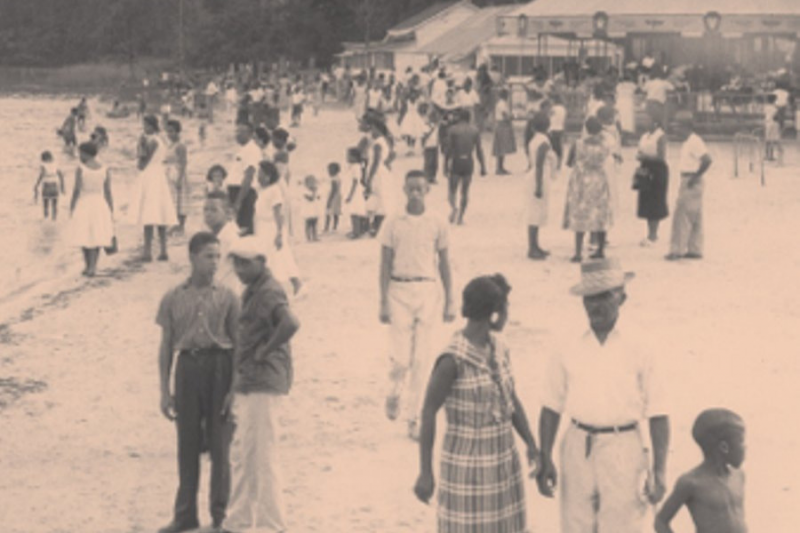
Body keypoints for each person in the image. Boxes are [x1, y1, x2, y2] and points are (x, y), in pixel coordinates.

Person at [536, 258, 670, 533]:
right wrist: (545, 456)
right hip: (576, 444)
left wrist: (659, 470)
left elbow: (659, 411)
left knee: (623, 526)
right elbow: (550, 405)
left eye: (604, 296)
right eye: (589, 298)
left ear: (622, 298)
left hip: (624, 447)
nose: (595, 305)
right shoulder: (566, 342)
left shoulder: (642, 344)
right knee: (575, 525)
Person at [414, 274, 538, 533]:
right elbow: (428, 412)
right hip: (467, 471)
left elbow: (511, 399)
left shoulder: (499, 349)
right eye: (506, 308)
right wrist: (425, 472)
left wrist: (531, 443)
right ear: (495, 313)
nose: (507, 314)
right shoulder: (452, 359)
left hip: (503, 465)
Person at [156, 232, 239, 533]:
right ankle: (185, 515)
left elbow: (239, 345)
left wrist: (233, 390)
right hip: (188, 368)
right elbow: (166, 345)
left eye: (217, 256)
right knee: (187, 444)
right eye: (208, 256)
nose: (214, 263)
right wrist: (165, 390)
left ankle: (220, 515)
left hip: (220, 367)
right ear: (192, 257)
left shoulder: (228, 296)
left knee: (220, 446)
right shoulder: (173, 297)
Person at [223, 236, 301, 533]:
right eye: (237, 263)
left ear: (261, 262)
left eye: (246, 263)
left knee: (262, 453)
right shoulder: (255, 289)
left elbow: (291, 322)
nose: (240, 269)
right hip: (252, 378)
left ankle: (271, 523)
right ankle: (240, 519)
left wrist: (265, 350)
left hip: (264, 379)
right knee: (245, 451)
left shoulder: (268, 290)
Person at [379, 170, 455, 440]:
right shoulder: (393, 222)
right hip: (398, 290)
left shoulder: (437, 222)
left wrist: (450, 299)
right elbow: (385, 263)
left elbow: (444, 262)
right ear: (404, 190)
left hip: (427, 290)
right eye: (410, 189)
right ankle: (393, 391)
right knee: (401, 359)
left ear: (427, 191)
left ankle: (414, 419)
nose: (414, 194)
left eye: (419, 189)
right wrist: (383, 301)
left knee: (422, 360)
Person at [654, 409, 746, 533]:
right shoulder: (692, 483)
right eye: (742, 441)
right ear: (724, 447)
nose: (746, 447)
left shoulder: (738, 476)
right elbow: (660, 522)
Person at [563, 118, 613, 262]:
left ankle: (578, 253)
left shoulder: (578, 144)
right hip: (599, 179)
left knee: (580, 214)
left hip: (581, 180)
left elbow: (569, 162)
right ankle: (600, 250)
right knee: (600, 214)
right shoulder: (605, 144)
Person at [129, 114, 178, 262]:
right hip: (159, 176)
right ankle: (163, 250)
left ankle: (147, 252)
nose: (144, 128)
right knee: (161, 215)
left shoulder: (151, 142)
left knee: (149, 215)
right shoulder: (161, 139)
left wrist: (140, 145)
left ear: (151, 126)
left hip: (150, 177)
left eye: (146, 125)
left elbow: (142, 164)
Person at [665, 117, 712, 261]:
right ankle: (695, 248)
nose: (675, 130)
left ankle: (676, 250)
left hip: (691, 179)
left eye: (678, 127)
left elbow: (707, 160)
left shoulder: (694, 141)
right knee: (695, 215)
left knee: (681, 215)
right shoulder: (688, 142)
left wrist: (695, 176)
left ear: (686, 127)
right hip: (689, 178)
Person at [69, 142, 115, 277]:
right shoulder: (105, 168)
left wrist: (72, 205)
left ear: (86, 154)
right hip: (100, 203)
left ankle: (88, 266)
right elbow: (108, 191)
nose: (79, 156)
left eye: (80, 153)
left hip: (85, 203)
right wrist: (111, 208)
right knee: (97, 235)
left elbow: (76, 190)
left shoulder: (81, 169)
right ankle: (93, 266)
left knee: (84, 234)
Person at [445, 108, 487, 225]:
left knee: (452, 190)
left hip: (456, 161)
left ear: (459, 118)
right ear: (470, 118)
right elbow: (479, 150)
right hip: (468, 161)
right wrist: (483, 166)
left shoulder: (453, 130)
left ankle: (454, 208)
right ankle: (461, 217)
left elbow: (448, 149)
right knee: (465, 191)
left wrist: (445, 165)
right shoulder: (474, 131)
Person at [526, 112, 556, 260]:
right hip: (539, 177)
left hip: (536, 175)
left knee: (535, 213)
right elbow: (539, 165)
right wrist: (538, 186)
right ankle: (532, 248)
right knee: (535, 214)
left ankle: (535, 245)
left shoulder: (534, 140)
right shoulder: (543, 141)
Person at [636, 115, 669, 247]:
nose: (643, 122)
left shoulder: (660, 136)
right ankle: (649, 233)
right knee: (646, 201)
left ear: (655, 122)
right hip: (645, 168)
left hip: (657, 170)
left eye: (646, 120)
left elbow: (661, 156)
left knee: (655, 201)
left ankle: (653, 234)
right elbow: (640, 151)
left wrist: (645, 157)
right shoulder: (644, 136)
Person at [203, 192, 244, 292]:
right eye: (205, 209)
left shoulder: (230, 238)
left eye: (214, 210)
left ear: (228, 213)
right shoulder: (215, 235)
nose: (208, 214)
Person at [364, 114, 395, 235]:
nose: (370, 132)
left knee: (377, 197)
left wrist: (369, 178)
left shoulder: (377, 143)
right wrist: (387, 163)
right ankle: (377, 226)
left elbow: (375, 162)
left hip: (377, 172)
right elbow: (392, 155)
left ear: (376, 128)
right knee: (381, 198)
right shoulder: (384, 140)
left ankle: (377, 227)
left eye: (371, 129)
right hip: (382, 171)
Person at [230, 121, 262, 235]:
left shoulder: (252, 150)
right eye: (237, 131)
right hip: (236, 192)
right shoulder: (243, 149)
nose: (237, 134)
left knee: (244, 229)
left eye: (241, 132)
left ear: (250, 134)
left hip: (244, 193)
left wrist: (239, 201)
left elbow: (249, 176)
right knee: (236, 228)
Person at [164, 119, 189, 235]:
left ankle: (181, 226)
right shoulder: (170, 145)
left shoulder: (180, 145)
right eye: (167, 131)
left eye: (172, 131)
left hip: (178, 173)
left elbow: (183, 162)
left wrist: (179, 179)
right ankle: (174, 224)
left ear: (178, 132)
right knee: (172, 199)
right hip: (169, 173)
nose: (169, 134)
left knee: (181, 199)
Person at [344, 147, 368, 239]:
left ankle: (356, 232)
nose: (346, 157)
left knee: (354, 213)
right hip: (354, 191)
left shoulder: (356, 167)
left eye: (348, 155)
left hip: (355, 192)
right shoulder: (354, 166)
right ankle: (357, 230)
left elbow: (355, 181)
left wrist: (350, 195)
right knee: (355, 212)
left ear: (354, 157)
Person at [34, 151, 65, 220]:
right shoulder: (56, 165)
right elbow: (61, 176)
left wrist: (36, 185)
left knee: (46, 205)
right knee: (54, 205)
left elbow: (41, 175)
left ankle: (46, 219)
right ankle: (54, 219)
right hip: (54, 186)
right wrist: (62, 187)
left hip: (47, 186)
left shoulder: (43, 165)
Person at [492, 88, 516, 175]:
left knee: (502, 148)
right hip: (502, 125)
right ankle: (499, 168)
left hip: (503, 125)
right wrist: (512, 117)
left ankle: (500, 167)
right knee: (501, 147)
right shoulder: (501, 104)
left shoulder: (503, 103)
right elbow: (506, 116)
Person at [301, 175, 322, 242]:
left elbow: (318, 198)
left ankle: (315, 236)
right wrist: (314, 192)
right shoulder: (305, 191)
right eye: (310, 182)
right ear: (306, 184)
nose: (312, 184)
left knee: (314, 224)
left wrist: (317, 194)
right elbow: (311, 199)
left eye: (313, 182)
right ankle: (308, 237)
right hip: (308, 211)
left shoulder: (315, 190)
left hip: (314, 209)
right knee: (308, 224)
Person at [549, 94, 567, 169]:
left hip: (552, 129)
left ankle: (554, 163)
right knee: (559, 147)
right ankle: (559, 163)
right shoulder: (563, 109)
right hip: (560, 129)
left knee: (553, 147)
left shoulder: (552, 109)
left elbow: (549, 118)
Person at [324, 162, 342, 233]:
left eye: (329, 170)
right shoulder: (338, 178)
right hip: (338, 196)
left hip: (333, 196)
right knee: (336, 213)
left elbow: (334, 190)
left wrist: (329, 200)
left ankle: (326, 227)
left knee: (328, 212)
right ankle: (335, 227)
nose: (328, 172)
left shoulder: (333, 179)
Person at [764, 93, 782, 162]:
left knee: (767, 140)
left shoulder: (766, 107)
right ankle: (771, 155)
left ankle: (766, 155)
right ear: (774, 100)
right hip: (773, 123)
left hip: (767, 123)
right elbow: (776, 117)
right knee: (772, 140)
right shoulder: (775, 108)